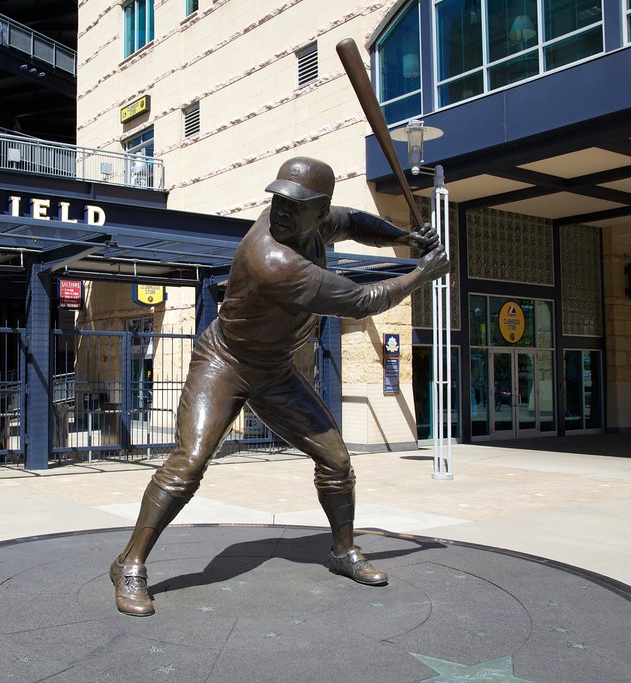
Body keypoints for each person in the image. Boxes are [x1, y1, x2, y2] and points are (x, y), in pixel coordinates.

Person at [110, 156, 450, 616]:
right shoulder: (272, 258)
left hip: (275, 370)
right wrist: (422, 273)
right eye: (278, 200)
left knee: (337, 460)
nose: (281, 211)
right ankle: (129, 564)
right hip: (225, 363)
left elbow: (355, 222)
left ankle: (344, 550)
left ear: (319, 211)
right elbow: (361, 301)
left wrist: (405, 236)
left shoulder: (317, 224)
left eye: (294, 204)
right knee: (188, 464)